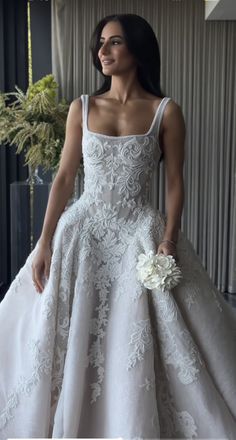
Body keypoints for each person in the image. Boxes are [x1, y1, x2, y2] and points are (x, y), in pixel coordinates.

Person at [0, 13, 236, 439]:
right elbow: (65, 178)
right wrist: (44, 242)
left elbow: (175, 182)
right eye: (101, 44)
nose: (103, 52)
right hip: (83, 231)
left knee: (142, 332)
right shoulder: (82, 107)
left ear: (138, 49)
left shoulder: (166, 111)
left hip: (139, 235)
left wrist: (167, 240)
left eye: (115, 43)